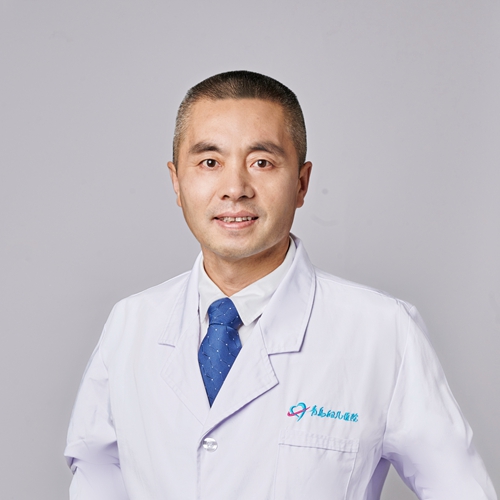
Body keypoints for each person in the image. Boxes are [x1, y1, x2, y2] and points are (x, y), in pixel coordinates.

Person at [64, 70, 496, 500]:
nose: (235, 189)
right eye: (210, 162)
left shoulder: (383, 331)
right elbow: (97, 476)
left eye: (262, 163)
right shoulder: (130, 324)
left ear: (301, 184)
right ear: (177, 182)